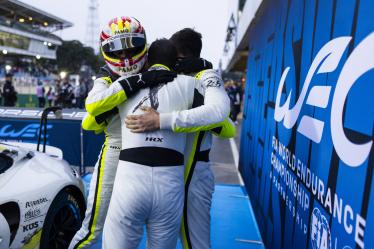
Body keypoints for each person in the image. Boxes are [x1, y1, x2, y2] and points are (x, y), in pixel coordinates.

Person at [99, 38, 230, 249]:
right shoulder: (193, 84)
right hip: (172, 180)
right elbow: (224, 123)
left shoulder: (126, 84)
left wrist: (104, 79)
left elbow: (90, 119)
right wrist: (168, 120)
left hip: (130, 179)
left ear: (148, 61)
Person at [68, 16, 176, 249]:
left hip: (153, 157)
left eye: (131, 47)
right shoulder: (106, 76)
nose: (125, 57)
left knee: (156, 231)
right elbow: (92, 111)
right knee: (92, 229)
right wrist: (139, 80)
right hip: (116, 152)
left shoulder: (159, 69)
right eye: (116, 50)